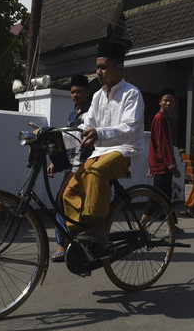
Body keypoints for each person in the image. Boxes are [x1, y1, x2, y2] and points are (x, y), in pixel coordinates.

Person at [62, 40, 145, 244]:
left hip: (126, 151)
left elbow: (130, 128)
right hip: (100, 153)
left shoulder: (131, 94)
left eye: (103, 67)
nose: (98, 72)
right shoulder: (98, 96)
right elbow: (85, 127)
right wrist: (56, 139)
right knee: (70, 189)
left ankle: (99, 228)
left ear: (119, 67)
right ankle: (82, 231)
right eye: (97, 67)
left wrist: (100, 133)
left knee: (96, 173)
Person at [47, 75, 93, 261]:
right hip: (70, 167)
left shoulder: (90, 114)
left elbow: (80, 141)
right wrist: (55, 163)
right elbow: (68, 142)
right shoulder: (73, 114)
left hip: (85, 166)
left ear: (87, 92)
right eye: (72, 92)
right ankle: (71, 243)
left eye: (78, 92)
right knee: (64, 202)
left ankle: (66, 244)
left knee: (65, 202)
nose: (74, 95)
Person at [143, 87, 183, 233]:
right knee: (156, 197)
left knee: (166, 197)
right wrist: (172, 166)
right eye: (165, 100)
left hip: (161, 165)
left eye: (171, 101)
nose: (168, 103)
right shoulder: (160, 118)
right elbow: (163, 145)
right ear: (160, 102)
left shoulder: (164, 118)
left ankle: (170, 226)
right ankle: (140, 226)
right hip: (163, 166)